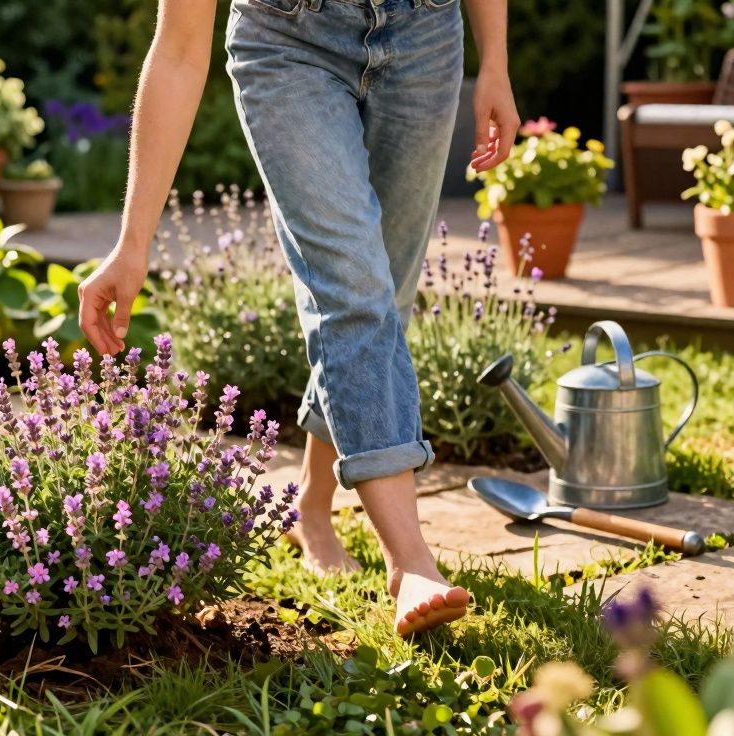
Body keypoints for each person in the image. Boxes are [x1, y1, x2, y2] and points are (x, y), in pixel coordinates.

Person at [77, 0, 518, 636]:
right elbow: (177, 47)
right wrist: (133, 240)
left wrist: (496, 63)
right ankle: (410, 561)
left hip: (426, 36)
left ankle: (311, 506)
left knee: (380, 301)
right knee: (355, 292)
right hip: (288, 43)